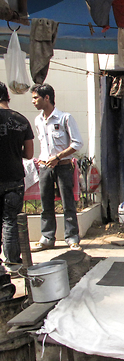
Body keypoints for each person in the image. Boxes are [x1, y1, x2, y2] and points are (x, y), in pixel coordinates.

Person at [30, 84, 84, 252]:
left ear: (47, 98)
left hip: (63, 166)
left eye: (36, 97)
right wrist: (43, 160)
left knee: (68, 202)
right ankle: (47, 237)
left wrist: (58, 157)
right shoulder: (38, 120)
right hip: (45, 167)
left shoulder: (64, 118)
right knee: (46, 203)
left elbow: (77, 143)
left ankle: (72, 237)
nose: (33, 101)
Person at [0, 81, 34, 272]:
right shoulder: (21, 120)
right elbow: (29, 154)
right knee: (10, 220)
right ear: (8, 97)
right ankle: (13, 263)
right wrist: (14, 152)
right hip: (14, 178)